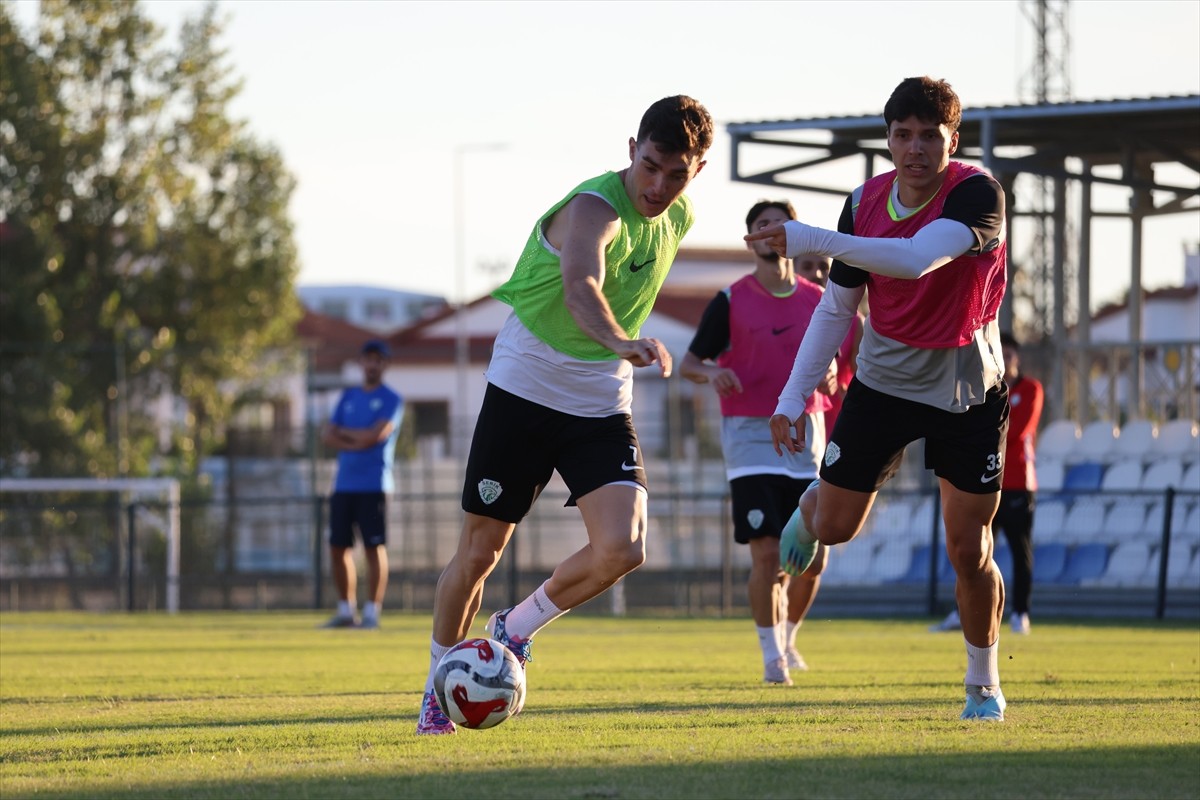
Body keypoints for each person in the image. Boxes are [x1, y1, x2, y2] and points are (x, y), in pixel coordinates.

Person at [416, 95, 714, 735]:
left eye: (677, 174)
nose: (659, 186)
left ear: (698, 171)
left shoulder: (679, 214)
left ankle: (513, 629)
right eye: (652, 166)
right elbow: (582, 283)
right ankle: (440, 691)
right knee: (479, 552)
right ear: (632, 149)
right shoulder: (593, 206)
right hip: (525, 382)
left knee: (623, 548)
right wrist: (621, 340)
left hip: (599, 396)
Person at [746, 76, 1012, 721]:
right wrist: (789, 397)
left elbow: (918, 259)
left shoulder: (977, 193)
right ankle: (811, 509)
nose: (915, 148)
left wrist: (810, 239)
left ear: (954, 138)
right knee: (835, 529)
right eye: (903, 134)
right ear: (888, 139)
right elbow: (836, 310)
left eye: (930, 135)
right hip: (884, 379)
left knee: (967, 548)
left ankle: (983, 683)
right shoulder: (862, 202)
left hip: (965, 385)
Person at [680, 200, 847, 686]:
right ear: (750, 238)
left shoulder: (820, 299)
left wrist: (831, 375)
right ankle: (772, 657)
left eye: (780, 224)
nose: (772, 232)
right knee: (768, 556)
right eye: (762, 225)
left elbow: (834, 376)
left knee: (813, 557)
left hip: (804, 440)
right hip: (750, 441)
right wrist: (715, 371)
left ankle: (789, 636)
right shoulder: (730, 300)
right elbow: (691, 363)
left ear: (794, 235)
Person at [934, 332, 1043, 635]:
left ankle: (1020, 613)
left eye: (1009, 355)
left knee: (1021, 552)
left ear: (1017, 358)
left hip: (1019, 484)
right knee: (973, 552)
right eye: (1001, 355)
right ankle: (963, 613)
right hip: (986, 483)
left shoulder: (1031, 389)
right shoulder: (984, 390)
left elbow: (1018, 430)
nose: (1005, 361)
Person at [320, 339, 404, 630]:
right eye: (368, 359)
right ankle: (346, 611)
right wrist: (358, 437)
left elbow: (375, 436)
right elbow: (328, 435)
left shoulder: (392, 399)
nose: (372, 364)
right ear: (361, 362)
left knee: (373, 547)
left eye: (378, 360)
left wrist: (349, 437)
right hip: (343, 485)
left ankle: (372, 612)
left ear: (384, 364)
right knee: (337, 547)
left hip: (374, 485)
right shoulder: (348, 397)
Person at [795, 253, 864, 435]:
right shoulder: (786, 318)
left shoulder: (855, 321)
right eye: (807, 267)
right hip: (794, 417)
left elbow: (864, 377)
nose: (817, 273)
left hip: (838, 421)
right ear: (793, 271)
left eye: (824, 267)